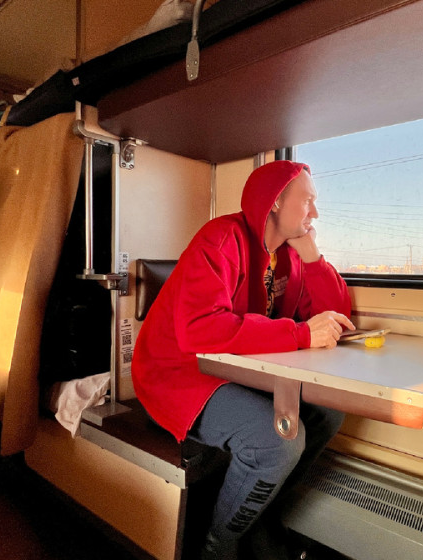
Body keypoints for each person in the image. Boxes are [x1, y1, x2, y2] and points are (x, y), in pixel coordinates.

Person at [132, 160, 354, 560]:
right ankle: (219, 544)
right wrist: (300, 334)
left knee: (329, 412)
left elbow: (335, 316)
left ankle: (260, 517)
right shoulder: (220, 239)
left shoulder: (289, 257)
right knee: (279, 442)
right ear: (275, 201)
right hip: (179, 372)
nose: (315, 213)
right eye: (307, 201)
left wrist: (313, 258)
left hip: (236, 366)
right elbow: (199, 329)